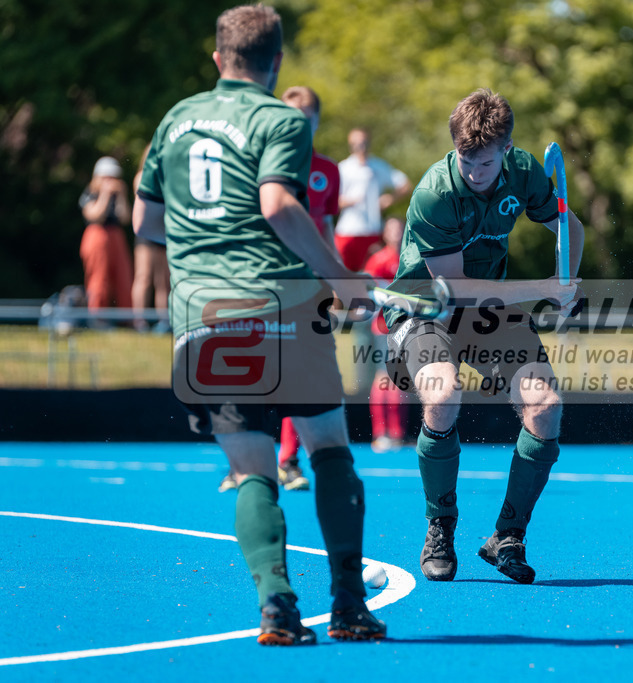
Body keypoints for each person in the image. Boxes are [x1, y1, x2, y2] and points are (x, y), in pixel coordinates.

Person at [133, 5, 385, 644]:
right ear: (276, 62)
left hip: (203, 319)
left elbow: (144, 224)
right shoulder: (281, 118)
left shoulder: (175, 119)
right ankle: (350, 606)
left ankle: (276, 608)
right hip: (284, 308)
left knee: (252, 470)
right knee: (328, 447)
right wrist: (344, 280)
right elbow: (278, 206)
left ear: (218, 58)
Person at [383, 88, 584, 585]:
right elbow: (454, 291)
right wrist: (542, 288)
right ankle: (440, 526)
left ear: (507, 150)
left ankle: (507, 536)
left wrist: (567, 282)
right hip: (426, 307)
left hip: (491, 310)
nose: (476, 171)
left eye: (486, 162)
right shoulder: (436, 192)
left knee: (546, 405)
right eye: (467, 160)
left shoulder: (524, 170)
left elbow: (569, 226)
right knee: (443, 392)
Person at [270, 85, 342, 493]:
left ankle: (289, 459)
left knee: (304, 372)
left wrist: (338, 278)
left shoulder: (327, 171)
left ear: (316, 121)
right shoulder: (261, 166)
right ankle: (249, 459)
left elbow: (326, 228)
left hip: (311, 285)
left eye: (306, 117)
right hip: (268, 282)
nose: (298, 124)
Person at [335, 127, 411, 271]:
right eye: (356, 144)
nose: (361, 147)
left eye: (364, 143)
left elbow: (404, 184)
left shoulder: (378, 165)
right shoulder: (343, 168)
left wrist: (390, 198)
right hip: (348, 231)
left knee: (371, 277)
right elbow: (331, 201)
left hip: (373, 230)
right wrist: (351, 201)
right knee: (341, 277)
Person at [364, 216, 407, 452]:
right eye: (392, 229)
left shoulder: (410, 258)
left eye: (400, 228)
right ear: (385, 234)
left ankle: (397, 433)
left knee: (400, 380)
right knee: (384, 379)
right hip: (383, 328)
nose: (397, 233)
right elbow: (369, 293)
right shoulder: (378, 261)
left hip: (405, 328)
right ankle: (381, 433)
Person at [80, 155, 133, 319]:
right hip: (97, 235)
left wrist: (122, 195)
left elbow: (125, 218)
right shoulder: (89, 194)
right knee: (98, 279)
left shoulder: (118, 196)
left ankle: (126, 319)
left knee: (124, 277)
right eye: (107, 177)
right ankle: (97, 317)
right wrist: (104, 194)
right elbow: (94, 215)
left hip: (116, 235)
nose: (111, 181)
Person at [131, 144, 171, 334]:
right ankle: (139, 321)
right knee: (144, 276)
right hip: (146, 233)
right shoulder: (141, 177)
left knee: (164, 281)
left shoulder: (167, 177)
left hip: (163, 233)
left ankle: (163, 321)